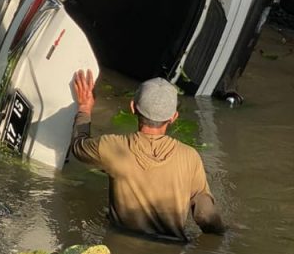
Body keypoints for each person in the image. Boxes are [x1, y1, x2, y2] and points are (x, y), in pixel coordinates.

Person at [70, 70, 225, 241]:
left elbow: (78, 147)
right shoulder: (190, 157)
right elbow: (205, 214)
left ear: (132, 107)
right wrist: (224, 234)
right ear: (173, 117)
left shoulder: (113, 147)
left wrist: (84, 108)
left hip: (121, 250)